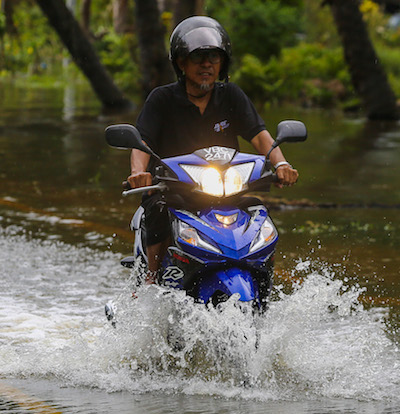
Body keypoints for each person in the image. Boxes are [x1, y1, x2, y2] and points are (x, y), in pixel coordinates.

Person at [126, 16, 299, 281]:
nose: (206, 64)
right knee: (158, 208)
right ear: (181, 63)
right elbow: (143, 142)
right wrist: (139, 172)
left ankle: (263, 283)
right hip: (173, 190)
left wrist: (282, 164)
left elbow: (259, 136)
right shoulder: (161, 99)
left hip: (228, 190)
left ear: (222, 64)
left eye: (214, 58)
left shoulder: (232, 96)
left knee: (258, 214)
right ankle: (149, 282)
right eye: (198, 57)